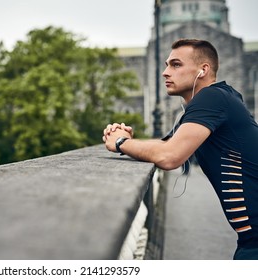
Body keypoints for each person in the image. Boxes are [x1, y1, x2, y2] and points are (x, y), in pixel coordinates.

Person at [102, 38, 258, 260]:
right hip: (250, 241)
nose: (165, 72)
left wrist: (119, 143)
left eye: (175, 65)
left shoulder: (212, 98)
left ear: (203, 70)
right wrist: (127, 140)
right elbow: (166, 145)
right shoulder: (219, 98)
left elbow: (169, 156)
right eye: (166, 65)